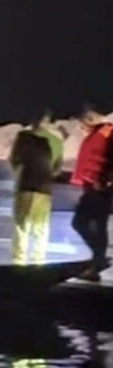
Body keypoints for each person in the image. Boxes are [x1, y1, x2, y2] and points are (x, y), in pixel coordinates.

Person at [9, 109, 63, 265]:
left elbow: (13, 160)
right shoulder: (56, 142)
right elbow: (57, 169)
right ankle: (38, 262)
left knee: (21, 226)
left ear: (33, 119)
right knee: (40, 227)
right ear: (48, 121)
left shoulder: (23, 137)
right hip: (44, 189)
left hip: (24, 185)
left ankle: (18, 262)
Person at [70, 105, 113, 282]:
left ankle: (99, 259)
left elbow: (107, 158)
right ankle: (98, 261)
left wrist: (103, 180)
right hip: (97, 184)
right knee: (98, 224)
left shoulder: (105, 133)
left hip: (99, 186)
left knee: (80, 222)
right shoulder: (99, 133)